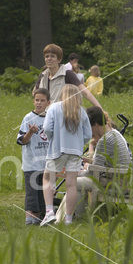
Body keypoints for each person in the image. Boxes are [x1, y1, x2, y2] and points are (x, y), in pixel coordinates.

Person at [55, 106, 131, 222]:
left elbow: (93, 173)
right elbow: (101, 166)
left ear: (95, 124)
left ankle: (69, 218)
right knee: (77, 181)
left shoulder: (104, 140)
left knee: (74, 182)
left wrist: (72, 173)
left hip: (114, 184)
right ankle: (69, 217)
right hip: (121, 180)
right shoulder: (115, 134)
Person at [40, 84, 92, 226]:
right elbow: (88, 135)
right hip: (75, 152)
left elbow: (47, 128)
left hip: (57, 150)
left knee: (47, 178)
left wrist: (52, 139)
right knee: (71, 185)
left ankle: (49, 212)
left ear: (63, 94)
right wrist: (79, 143)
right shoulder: (81, 111)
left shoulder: (54, 107)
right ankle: (68, 219)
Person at [17, 87, 51, 225]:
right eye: (37, 100)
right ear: (33, 101)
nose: (39, 103)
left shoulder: (51, 117)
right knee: (32, 194)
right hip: (31, 163)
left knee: (44, 192)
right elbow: (21, 141)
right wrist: (30, 132)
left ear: (48, 102)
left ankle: (42, 217)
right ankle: (30, 218)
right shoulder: (28, 118)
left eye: (42, 100)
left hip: (47, 164)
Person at [35, 44, 101, 108]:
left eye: (52, 56)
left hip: (63, 114)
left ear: (59, 60)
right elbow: (35, 95)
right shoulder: (42, 75)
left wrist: (100, 109)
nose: (49, 59)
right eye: (47, 56)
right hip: (44, 115)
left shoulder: (67, 74)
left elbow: (85, 92)